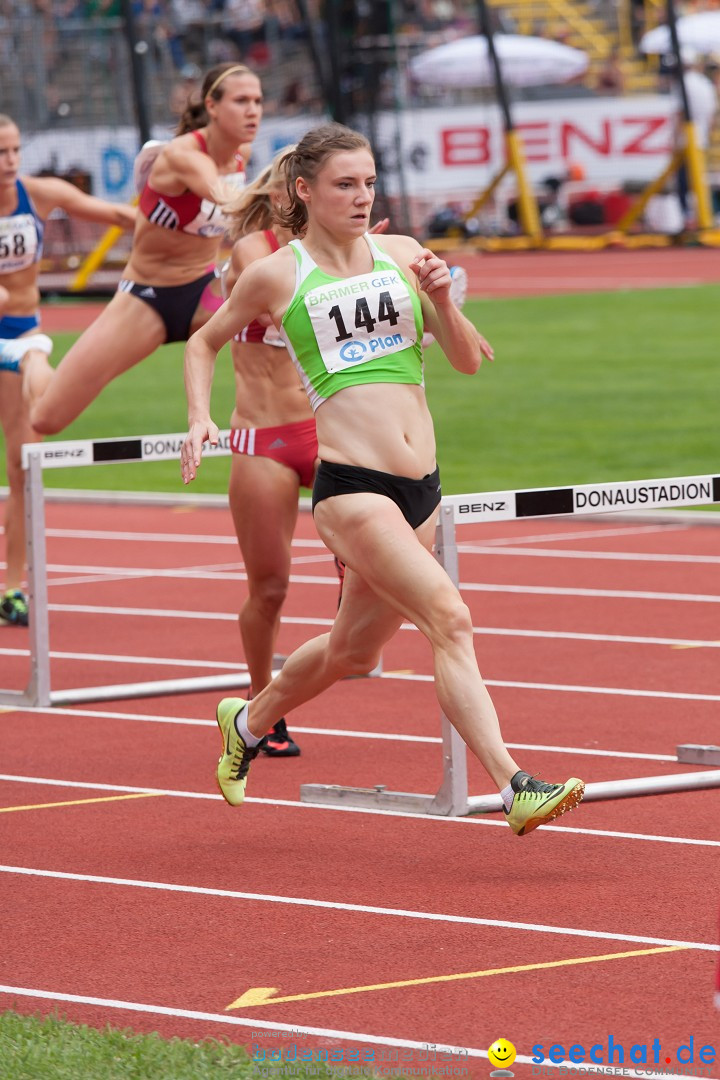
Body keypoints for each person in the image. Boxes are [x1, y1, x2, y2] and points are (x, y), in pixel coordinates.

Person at [181, 123, 585, 837]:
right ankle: (514, 785)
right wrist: (198, 417)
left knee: (353, 651)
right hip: (352, 487)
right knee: (449, 618)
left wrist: (445, 300)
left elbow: (462, 361)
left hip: (420, 485)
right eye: (345, 183)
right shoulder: (280, 274)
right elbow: (203, 341)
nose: (362, 195)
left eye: (369, 181)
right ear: (303, 191)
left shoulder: (402, 256)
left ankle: (246, 721)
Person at [1, 62, 263, 440]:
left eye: (257, 100)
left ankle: (278, 435)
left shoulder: (242, 152)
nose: (253, 109)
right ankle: (30, 356)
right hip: (147, 299)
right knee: (45, 418)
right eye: (241, 101)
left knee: (278, 312)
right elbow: (232, 201)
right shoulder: (183, 156)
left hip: (205, 289)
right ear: (213, 106)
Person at [0, 113, 136, 626]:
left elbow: (119, 217)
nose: (10, 161)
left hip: (20, 335)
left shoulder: (39, 194)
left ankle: (12, 588)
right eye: (0, 153)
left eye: (15, 150)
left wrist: (178, 233)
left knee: (19, 462)